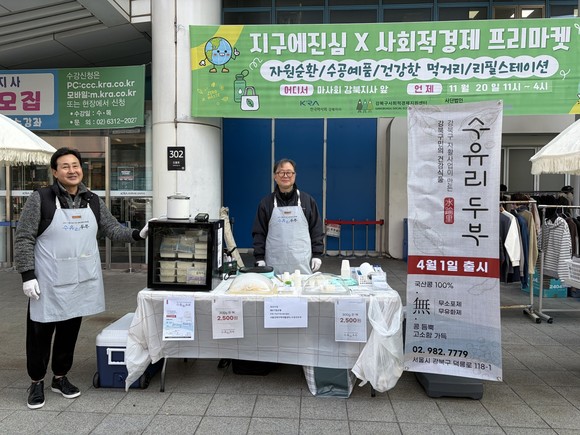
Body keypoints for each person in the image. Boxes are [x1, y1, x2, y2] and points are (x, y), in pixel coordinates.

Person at [14, 147, 151, 410]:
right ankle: (36, 382)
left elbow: (112, 229)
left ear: (82, 169)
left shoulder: (92, 200)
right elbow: (24, 238)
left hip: (79, 281)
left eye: (75, 165)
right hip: (47, 281)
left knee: (69, 333)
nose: (72, 170)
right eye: (65, 166)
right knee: (40, 334)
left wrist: (138, 234)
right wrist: (27, 275)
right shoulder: (40, 199)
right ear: (55, 172)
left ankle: (60, 377)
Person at [252, 158, 324, 275]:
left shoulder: (307, 201)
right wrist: (259, 257)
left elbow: (316, 230)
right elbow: (259, 233)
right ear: (275, 176)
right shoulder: (266, 203)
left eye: (289, 172)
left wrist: (317, 254)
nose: (285, 176)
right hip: (274, 263)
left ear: (294, 175)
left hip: (302, 263)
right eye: (281, 172)